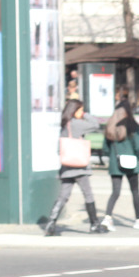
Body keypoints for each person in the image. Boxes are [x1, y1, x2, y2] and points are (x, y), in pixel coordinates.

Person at [44, 99, 107, 236]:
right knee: (88, 194)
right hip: (79, 167)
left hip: (66, 166)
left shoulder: (65, 125)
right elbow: (95, 124)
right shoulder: (77, 124)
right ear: (75, 110)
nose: (81, 112)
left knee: (63, 196)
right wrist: (85, 114)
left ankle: (51, 223)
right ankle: (94, 224)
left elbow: (59, 148)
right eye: (80, 110)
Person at [100, 99, 139, 230]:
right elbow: (138, 145)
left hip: (115, 163)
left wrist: (111, 156)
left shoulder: (110, 125)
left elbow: (105, 147)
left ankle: (107, 218)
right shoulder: (132, 124)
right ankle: (138, 219)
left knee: (115, 192)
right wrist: (138, 157)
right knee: (135, 191)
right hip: (131, 162)